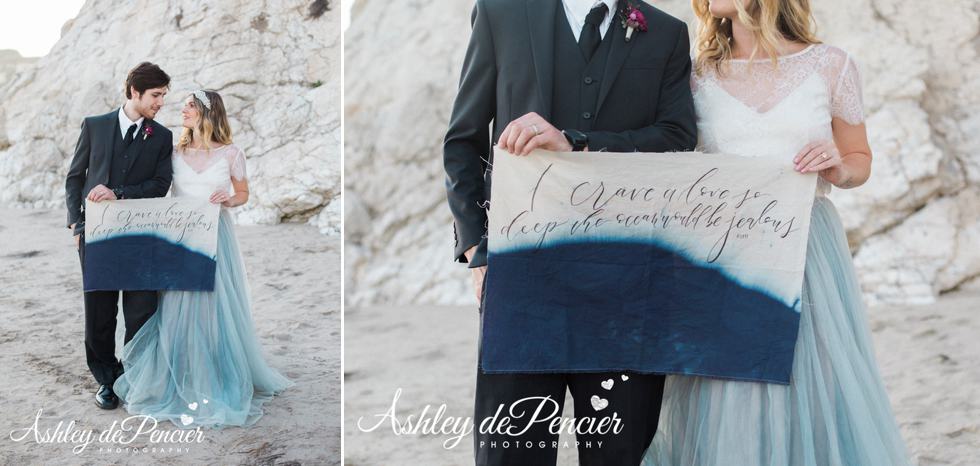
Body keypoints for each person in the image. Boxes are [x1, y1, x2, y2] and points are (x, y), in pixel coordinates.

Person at [643, 0, 912, 464]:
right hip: (724, 250)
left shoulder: (831, 65)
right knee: (728, 384)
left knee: (812, 375)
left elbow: (859, 160)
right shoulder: (695, 73)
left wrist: (837, 168)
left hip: (807, 242)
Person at [443, 0, 697, 463]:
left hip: (628, 278)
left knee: (618, 450)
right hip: (522, 273)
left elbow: (678, 137)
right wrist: (478, 248)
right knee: (511, 451)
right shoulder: (502, 12)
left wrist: (580, 141)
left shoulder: (666, 31)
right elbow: (464, 139)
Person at [112, 90, 293, 428]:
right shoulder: (174, 151)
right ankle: (180, 372)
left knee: (212, 304)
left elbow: (243, 193)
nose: (183, 109)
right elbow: (156, 188)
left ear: (209, 114)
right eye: (184, 105)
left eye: (190, 106)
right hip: (180, 234)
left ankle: (214, 372)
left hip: (215, 233)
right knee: (176, 304)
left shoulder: (230, 154)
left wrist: (229, 199)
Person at [65, 62, 173, 410]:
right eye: (156, 95)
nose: (160, 102)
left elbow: (160, 185)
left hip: (142, 236)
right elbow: (75, 178)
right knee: (100, 313)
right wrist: (75, 225)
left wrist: (120, 192)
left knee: (142, 310)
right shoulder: (95, 126)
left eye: (163, 96)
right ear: (134, 92)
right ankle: (107, 381)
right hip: (95, 236)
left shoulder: (163, 136)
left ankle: (134, 375)